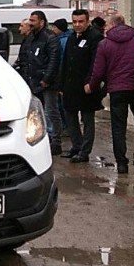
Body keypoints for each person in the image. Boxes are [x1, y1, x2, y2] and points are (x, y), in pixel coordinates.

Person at [85, 13, 134, 174]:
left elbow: (98, 71)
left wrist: (92, 86)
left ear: (112, 25)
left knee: (118, 127)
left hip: (117, 90)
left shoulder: (104, 44)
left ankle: (122, 163)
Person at [57, 9, 104, 163]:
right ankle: (76, 146)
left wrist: (91, 83)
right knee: (70, 116)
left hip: (86, 87)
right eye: (75, 22)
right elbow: (65, 62)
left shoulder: (95, 38)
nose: (77, 25)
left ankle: (85, 151)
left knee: (87, 119)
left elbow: (96, 63)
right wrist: (61, 84)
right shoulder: (71, 38)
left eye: (81, 21)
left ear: (87, 21)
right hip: (70, 86)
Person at [18, 11, 63, 155]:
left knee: (51, 111)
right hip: (33, 80)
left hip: (46, 82)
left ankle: (55, 140)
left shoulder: (50, 37)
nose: (30, 23)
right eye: (30, 20)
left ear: (42, 22)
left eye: (33, 20)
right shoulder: (31, 38)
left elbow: (54, 60)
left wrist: (46, 79)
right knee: (37, 112)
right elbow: (25, 59)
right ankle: (41, 139)